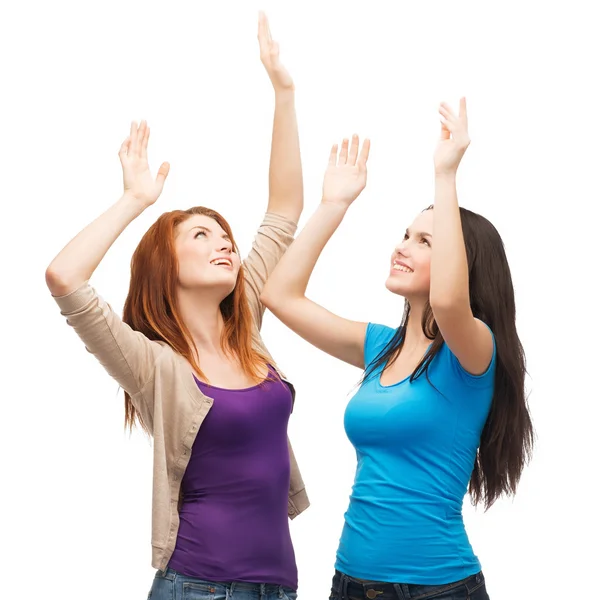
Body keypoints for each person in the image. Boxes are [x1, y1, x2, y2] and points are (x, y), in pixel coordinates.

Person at [45, 13, 307, 600]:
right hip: (197, 588)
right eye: (200, 235)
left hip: (278, 587)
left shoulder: (248, 327)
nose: (224, 242)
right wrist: (135, 200)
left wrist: (283, 91)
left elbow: (285, 207)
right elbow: (65, 278)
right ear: (167, 268)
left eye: (224, 234)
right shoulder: (152, 364)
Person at [260, 99, 534, 600]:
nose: (402, 247)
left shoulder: (473, 354)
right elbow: (278, 295)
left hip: (435, 589)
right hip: (350, 583)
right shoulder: (379, 348)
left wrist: (445, 174)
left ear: (460, 262)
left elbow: (449, 300)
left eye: (425, 241)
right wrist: (333, 206)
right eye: (404, 235)